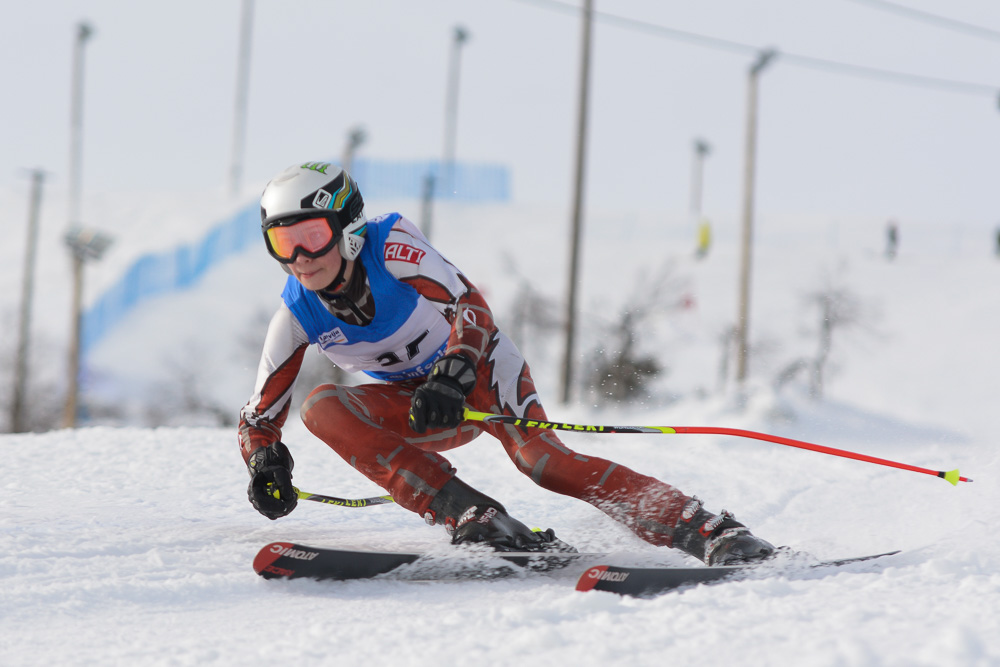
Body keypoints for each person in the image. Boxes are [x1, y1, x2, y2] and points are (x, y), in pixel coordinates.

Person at [238, 161, 775, 565]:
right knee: (320, 407)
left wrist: (454, 370)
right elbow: (258, 420)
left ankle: (704, 528)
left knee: (544, 463)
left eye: (312, 236)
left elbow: (470, 306)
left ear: (348, 225)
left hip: (478, 378)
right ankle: (475, 517)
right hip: (422, 409)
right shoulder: (297, 314)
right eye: (282, 243)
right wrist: (266, 465)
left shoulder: (391, 244)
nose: (300, 259)